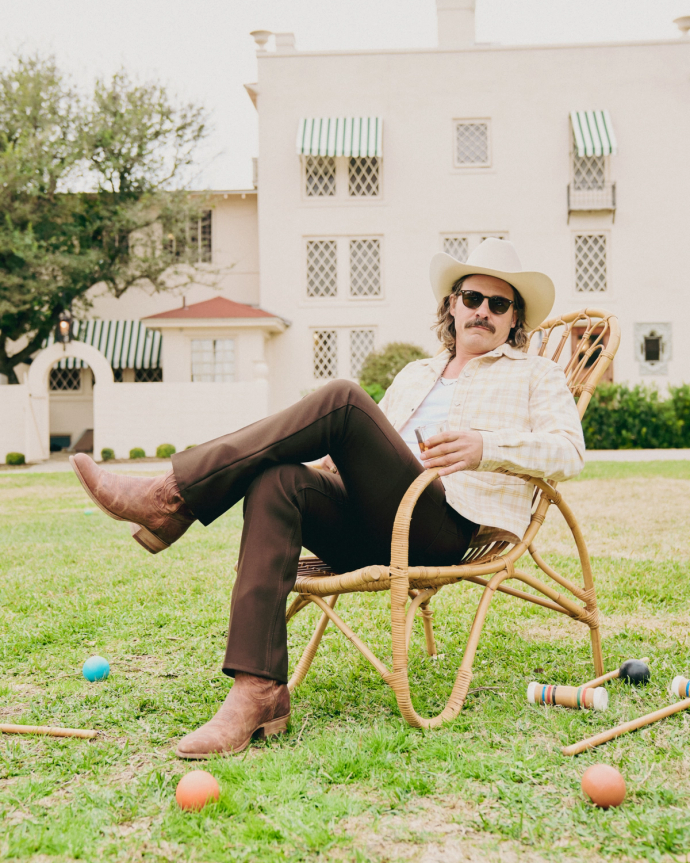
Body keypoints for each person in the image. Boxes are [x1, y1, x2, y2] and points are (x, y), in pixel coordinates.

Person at [69, 239, 585, 759]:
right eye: (474, 298)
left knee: (342, 398)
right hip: (370, 526)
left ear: (514, 318)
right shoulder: (415, 375)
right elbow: (362, 451)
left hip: (443, 527)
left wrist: (485, 447)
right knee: (279, 481)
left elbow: (570, 452)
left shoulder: (534, 373)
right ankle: (259, 691)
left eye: (500, 305)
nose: (483, 312)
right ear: (452, 304)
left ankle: (171, 498)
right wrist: (321, 469)